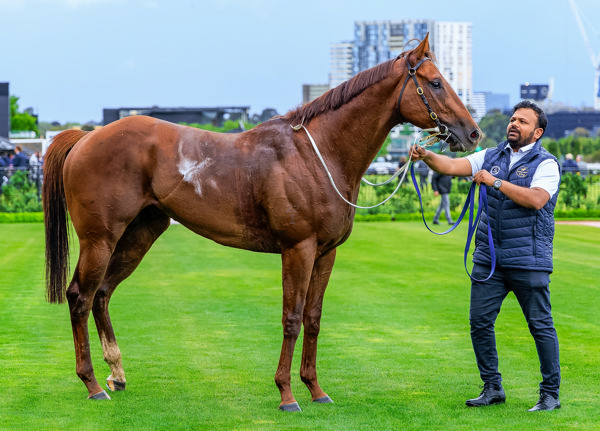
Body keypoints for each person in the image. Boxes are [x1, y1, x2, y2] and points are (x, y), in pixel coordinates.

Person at [410, 100, 561, 412]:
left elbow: (536, 200)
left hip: (528, 259)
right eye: (513, 119)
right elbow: (452, 167)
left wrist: (495, 181)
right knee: (479, 322)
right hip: (489, 259)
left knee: (540, 326)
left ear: (537, 133)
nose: (514, 124)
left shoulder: (546, 164)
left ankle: (550, 394)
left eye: (522, 121)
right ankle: (492, 387)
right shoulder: (491, 155)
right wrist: (426, 156)